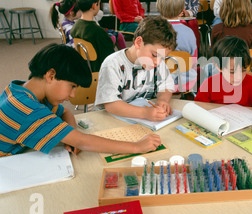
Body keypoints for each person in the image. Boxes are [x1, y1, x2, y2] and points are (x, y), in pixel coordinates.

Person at [0, 44, 162, 157]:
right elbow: (83, 141)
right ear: (51, 75)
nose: (72, 95)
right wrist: (136, 146)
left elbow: (67, 112)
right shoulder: (27, 109)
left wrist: (72, 136)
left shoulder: (22, 90)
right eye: (72, 86)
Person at [95, 16, 177, 122]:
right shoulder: (112, 64)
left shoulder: (157, 63)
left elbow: (166, 86)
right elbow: (111, 105)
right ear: (138, 43)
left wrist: (163, 100)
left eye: (162, 57)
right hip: (109, 120)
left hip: (139, 121)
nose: (158, 62)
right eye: (154, 54)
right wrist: (145, 113)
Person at [195, 36, 252, 108]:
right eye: (232, 72)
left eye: (243, 70)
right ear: (217, 65)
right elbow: (199, 110)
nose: (239, 77)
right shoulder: (208, 85)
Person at [156, 0, 198, 93]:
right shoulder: (189, 32)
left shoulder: (153, 32)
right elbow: (193, 60)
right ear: (182, 10)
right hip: (185, 83)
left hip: (159, 84)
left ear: (158, 6)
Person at [70, 0, 115, 72]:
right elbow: (110, 60)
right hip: (99, 73)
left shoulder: (75, 27)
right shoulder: (99, 33)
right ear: (95, 5)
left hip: (85, 70)